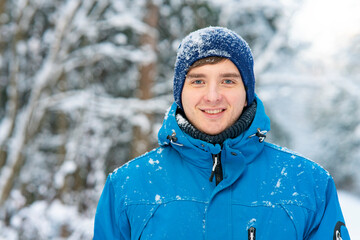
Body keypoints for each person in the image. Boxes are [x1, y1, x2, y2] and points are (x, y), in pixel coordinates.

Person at [93, 26, 350, 239]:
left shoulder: (309, 184)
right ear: (180, 92)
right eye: (198, 81)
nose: (213, 96)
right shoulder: (128, 186)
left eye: (228, 81)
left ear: (247, 91)